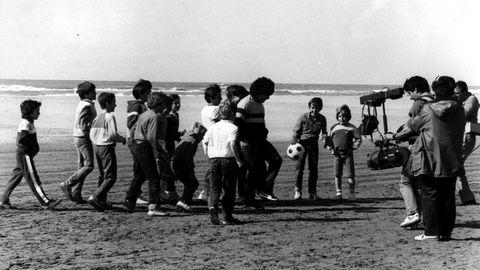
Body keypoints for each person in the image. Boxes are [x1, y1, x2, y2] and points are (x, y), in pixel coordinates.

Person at [394, 76, 466, 241]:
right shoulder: (460, 109)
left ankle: (432, 232)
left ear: (436, 90)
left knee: (429, 194)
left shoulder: (428, 109)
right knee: (448, 195)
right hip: (451, 158)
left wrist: (395, 137)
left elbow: (412, 127)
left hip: (429, 157)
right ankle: (446, 232)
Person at [0, 100, 61, 210]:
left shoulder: (28, 122)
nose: (39, 113)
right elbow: (21, 139)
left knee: (16, 177)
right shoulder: (26, 123)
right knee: (33, 178)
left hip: (24, 155)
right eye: (37, 111)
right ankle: (45, 202)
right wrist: (28, 150)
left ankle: (3, 200)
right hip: (25, 155)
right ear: (30, 112)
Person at [236, 77, 283, 209]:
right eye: (267, 95)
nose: (268, 98)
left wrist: (264, 131)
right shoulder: (244, 104)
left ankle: (263, 188)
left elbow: (259, 124)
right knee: (253, 170)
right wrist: (244, 143)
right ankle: (249, 200)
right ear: (258, 92)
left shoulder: (260, 104)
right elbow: (238, 126)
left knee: (276, 160)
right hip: (248, 143)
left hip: (260, 140)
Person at [123, 92, 172, 216]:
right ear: (159, 104)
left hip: (136, 145)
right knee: (154, 178)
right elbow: (151, 137)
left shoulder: (144, 114)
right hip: (145, 146)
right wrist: (159, 151)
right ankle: (153, 206)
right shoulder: (154, 116)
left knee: (140, 175)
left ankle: (129, 201)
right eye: (163, 104)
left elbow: (133, 129)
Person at [397, 76, 434, 228]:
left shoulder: (418, 104)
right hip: (431, 146)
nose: (409, 96)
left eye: (409, 93)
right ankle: (422, 216)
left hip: (418, 147)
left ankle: (412, 214)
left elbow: (411, 127)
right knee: (419, 183)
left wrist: (396, 136)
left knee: (405, 181)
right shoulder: (434, 101)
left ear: (416, 90)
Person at [203, 100, 244, 225]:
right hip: (228, 160)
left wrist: (208, 154)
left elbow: (205, 142)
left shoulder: (213, 127)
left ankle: (212, 209)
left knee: (214, 188)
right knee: (229, 189)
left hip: (214, 159)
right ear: (232, 113)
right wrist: (239, 160)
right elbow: (232, 143)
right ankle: (227, 215)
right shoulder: (233, 128)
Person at [87, 92, 126, 211]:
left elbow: (91, 133)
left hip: (97, 146)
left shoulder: (97, 117)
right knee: (111, 177)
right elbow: (112, 134)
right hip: (106, 147)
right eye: (114, 102)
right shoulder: (109, 117)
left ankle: (101, 200)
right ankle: (95, 196)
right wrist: (122, 139)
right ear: (108, 103)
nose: (116, 105)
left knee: (103, 175)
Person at [60, 81, 97, 204]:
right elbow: (83, 124)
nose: (95, 93)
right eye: (93, 92)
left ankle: (76, 193)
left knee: (82, 166)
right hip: (82, 138)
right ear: (86, 94)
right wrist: (90, 133)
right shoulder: (86, 105)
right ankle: (68, 183)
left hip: (77, 136)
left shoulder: (82, 103)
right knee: (89, 165)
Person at [291, 97, 327, 200]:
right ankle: (297, 191)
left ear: (320, 108)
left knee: (313, 169)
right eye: (312, 108)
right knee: (299, 168)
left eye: (317, 108)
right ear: (309, 107)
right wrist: (294, 141)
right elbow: (296, 131)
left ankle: (312, 192)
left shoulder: (322, 119)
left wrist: (324, 138)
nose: (314, 110)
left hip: (314, 145)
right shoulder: (303, 117)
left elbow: (324, 132)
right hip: (302, 145)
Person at [327, 104, 362, 200]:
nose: (342, 118)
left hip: (348, 154)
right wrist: (331, 149)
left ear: (348, 117)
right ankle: (338, 193)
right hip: (337, 154)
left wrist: (354, 147)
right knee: (337, 174)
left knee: (350, 175)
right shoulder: (333, 127)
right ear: (337, 117)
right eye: (340, 116)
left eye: (345, 116)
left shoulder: (352, 128)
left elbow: (358, 138)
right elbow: (328, 140)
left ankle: (352, 194)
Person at [126, 79, 152, 206]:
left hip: (135, 140)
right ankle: (134, 194)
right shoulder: (137, 106)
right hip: (135, 141)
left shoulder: (140, 105)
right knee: (140, 169)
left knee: (139, 169)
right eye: (149, 92)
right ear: (142, 93)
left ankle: (136, 193)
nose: (150, 95)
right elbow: (130, 122)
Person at [172, 122, 207, 212]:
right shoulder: (193, 142)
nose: (202, 138)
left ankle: (186, 201)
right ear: (198, 134)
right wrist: (191, 171)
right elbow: (188, 159)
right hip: (180, 165)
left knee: (189, 183)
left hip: (174, 163)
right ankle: (183, 202)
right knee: (193, 183)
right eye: (202, 135)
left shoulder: (186, 138)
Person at [454, 80, 478, 205]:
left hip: (466, 137)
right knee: (457, 165)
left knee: (455, 164)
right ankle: (467, 197)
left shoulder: (471, 100)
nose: (456, 95)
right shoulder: (464, 100)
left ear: (464, 91)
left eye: (457, 93)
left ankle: (467, 197)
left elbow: (463, 114)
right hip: (461, 136)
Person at [197, 84, 222, 201]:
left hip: (207, 139)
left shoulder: (204, 109)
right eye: (218, 97)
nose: (221, 99)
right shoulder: (216, 109)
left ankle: (207, 190)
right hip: (215, 140)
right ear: (212, 98)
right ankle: (206, 190)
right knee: (215, 167)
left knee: (213, 166)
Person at [225, 84, 249, 204]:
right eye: (240, 96)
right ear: (233, 97)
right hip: (231, 141)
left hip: (237, 139)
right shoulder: (228, 106)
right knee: (235, 168)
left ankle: (241, 194)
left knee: (241, 168)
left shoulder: (239, 106)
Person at [163, 94, 186, 202]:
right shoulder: (168, 116)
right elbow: (167, 133)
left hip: (171, 143)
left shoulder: (176, 115)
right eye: (175, 103)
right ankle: (169, 190)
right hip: (167, 144)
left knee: (170, 166)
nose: (177, 105)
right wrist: (177, 136)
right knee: (167, 167)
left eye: (179, 103)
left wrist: (178, 135)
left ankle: (170, 189)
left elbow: (173, 133)